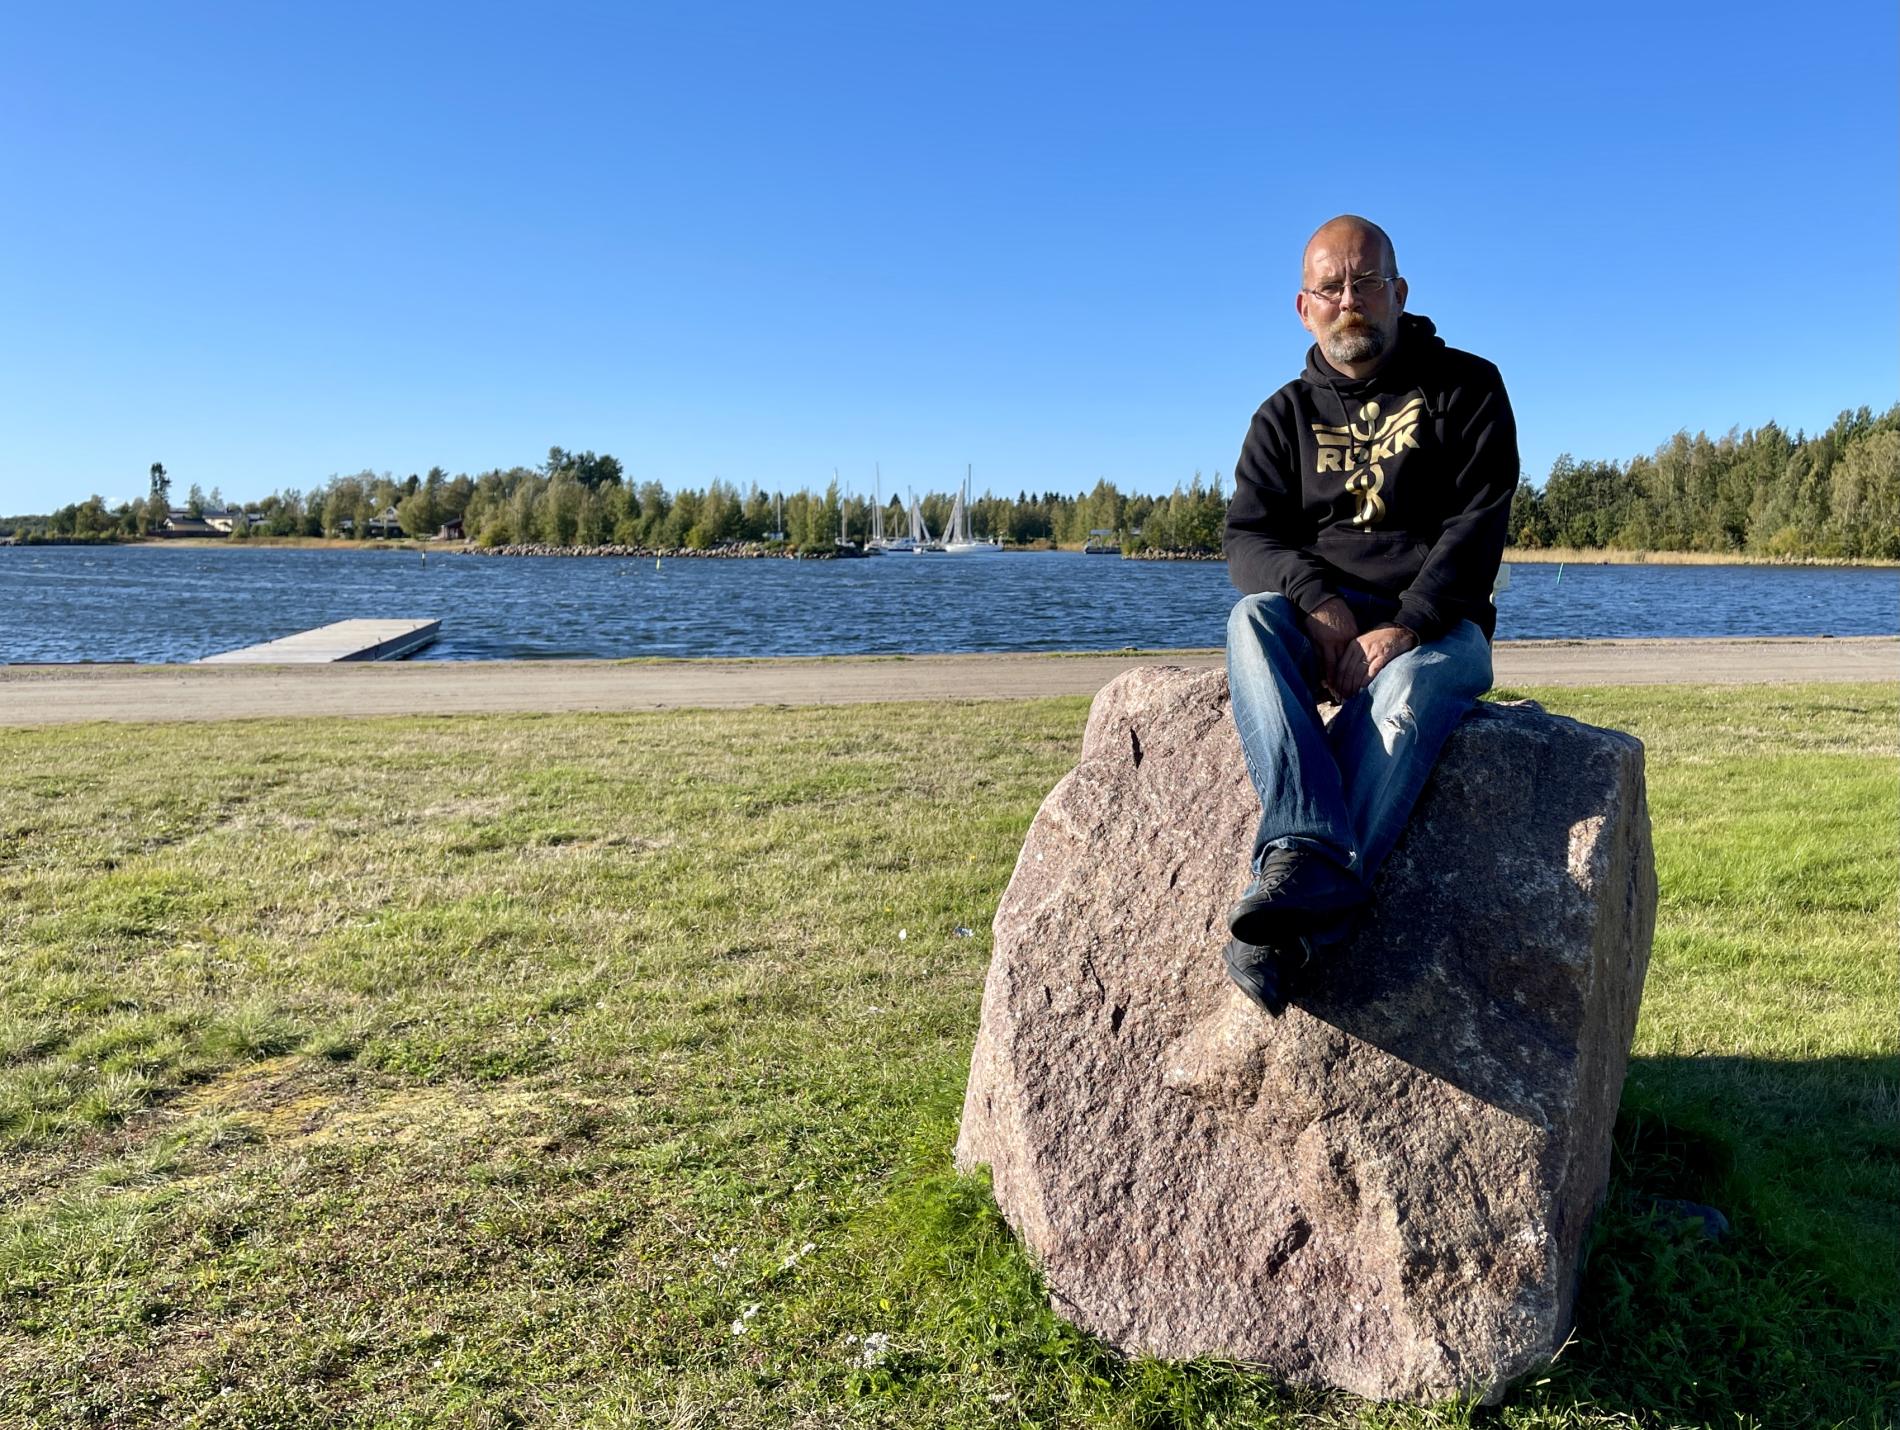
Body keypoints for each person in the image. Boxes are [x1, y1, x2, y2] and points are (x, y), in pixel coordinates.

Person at [1220, 215, 1518, 1015]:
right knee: (1252, 621)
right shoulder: (1282, 416)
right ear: (1303, 305)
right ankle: (1309, 852)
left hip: (1442, 630)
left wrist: (1407, 624)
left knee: (1407, 695)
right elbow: (1247, 537)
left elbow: (1479, 523)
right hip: (1324, 623)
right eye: (1331, 287)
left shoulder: (1468, 387)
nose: (1349, 301)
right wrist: (1317, 604)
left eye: (1365, 283)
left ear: (1399, 292)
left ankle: (1297, 915)